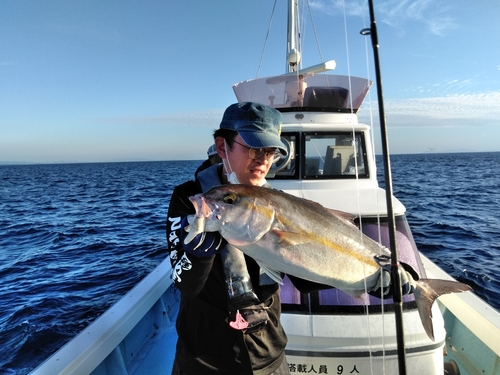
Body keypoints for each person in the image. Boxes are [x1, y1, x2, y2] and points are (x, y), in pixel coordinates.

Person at [166, 102, 415, 375]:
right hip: (203, 356)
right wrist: (198, 256)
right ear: (223, 147)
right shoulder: (191, 199)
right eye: (253, 147)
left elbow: (304, 277)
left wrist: (375, 281)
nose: (263, 159)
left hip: (267, 351)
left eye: (270, 151)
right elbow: (186, 284)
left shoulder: (282, 205)